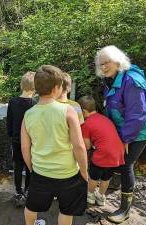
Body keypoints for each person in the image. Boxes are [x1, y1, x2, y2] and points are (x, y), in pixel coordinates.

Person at [95, 45, 146, 223]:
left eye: (107, 62)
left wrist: (125, 138)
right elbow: (113, 105)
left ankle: (125, 209)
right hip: (124, 127)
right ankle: (117, 184)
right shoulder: (111, 78)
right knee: (119, 157)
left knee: (127, 163)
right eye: (101, 64)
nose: (104, 66)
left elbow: (137, 115)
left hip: (139, 130)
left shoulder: (131, 81)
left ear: (118, 61)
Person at [21, 65, 88, 225]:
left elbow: (24, 147)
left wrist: (32, 168)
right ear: (57, 87)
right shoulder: (68, 111)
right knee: (66, 210)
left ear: (36, 88)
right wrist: (84, 172)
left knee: (31, 206)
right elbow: (79, 146)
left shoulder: (28, 114)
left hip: (41, 172)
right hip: (68, 173)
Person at [78, 95, 125, 206]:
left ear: (83, 111)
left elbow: (87, 146)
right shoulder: (104, 118)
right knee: (106, 176)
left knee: (94, 176)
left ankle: (90, 195)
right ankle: (101, 196)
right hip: (117, 153)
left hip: (103, 153)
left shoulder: (86, 124)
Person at [7, 71, 36, 206]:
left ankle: (18, 193)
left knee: (18, 167)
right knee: (30, 166)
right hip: (32, 142)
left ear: (21, 85)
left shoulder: (12, 102)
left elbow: (9, 123)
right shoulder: (35, 104)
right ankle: (29, 190)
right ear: (35, 87)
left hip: (17, 141)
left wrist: (11, 136)